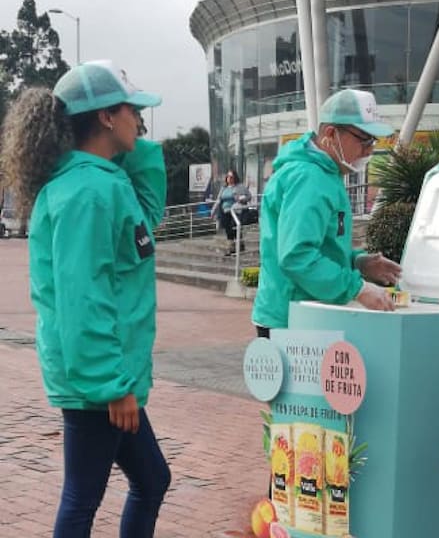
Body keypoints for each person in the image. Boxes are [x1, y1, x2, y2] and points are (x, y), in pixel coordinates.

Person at [0, 60, 171, 537]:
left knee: (151, 480)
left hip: (108, 376)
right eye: (132, 110)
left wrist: (135, 148)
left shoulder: (103, 183)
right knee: (82, 500)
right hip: (100, 382)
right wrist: (112, 386)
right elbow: (82, 300)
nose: (140, 120)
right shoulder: (87, 194)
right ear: (105, 116)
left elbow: (147, 219)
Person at [252, 88, 401, 336]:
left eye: (373, 141)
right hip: (293, 319)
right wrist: (358, 289)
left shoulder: (326, 174)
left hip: (303, 313)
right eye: (364, 139)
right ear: (331, 134)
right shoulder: (309, 178)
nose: (369, 150)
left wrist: (358, 262)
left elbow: (318, 245)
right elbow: (297, 256)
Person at [210, 169, 252, 255]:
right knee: (228, 229)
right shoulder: (224, 188)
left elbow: (249, 196)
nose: (229, 178)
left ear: (235, 178)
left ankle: (240, 245)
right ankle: (231, 247)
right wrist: (213, 210)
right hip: (224, 211)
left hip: (235, 211)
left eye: (231, 177)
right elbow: (218, 200)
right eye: (228, 176)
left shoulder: (239, 187)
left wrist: (241, 199)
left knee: (234, 227)